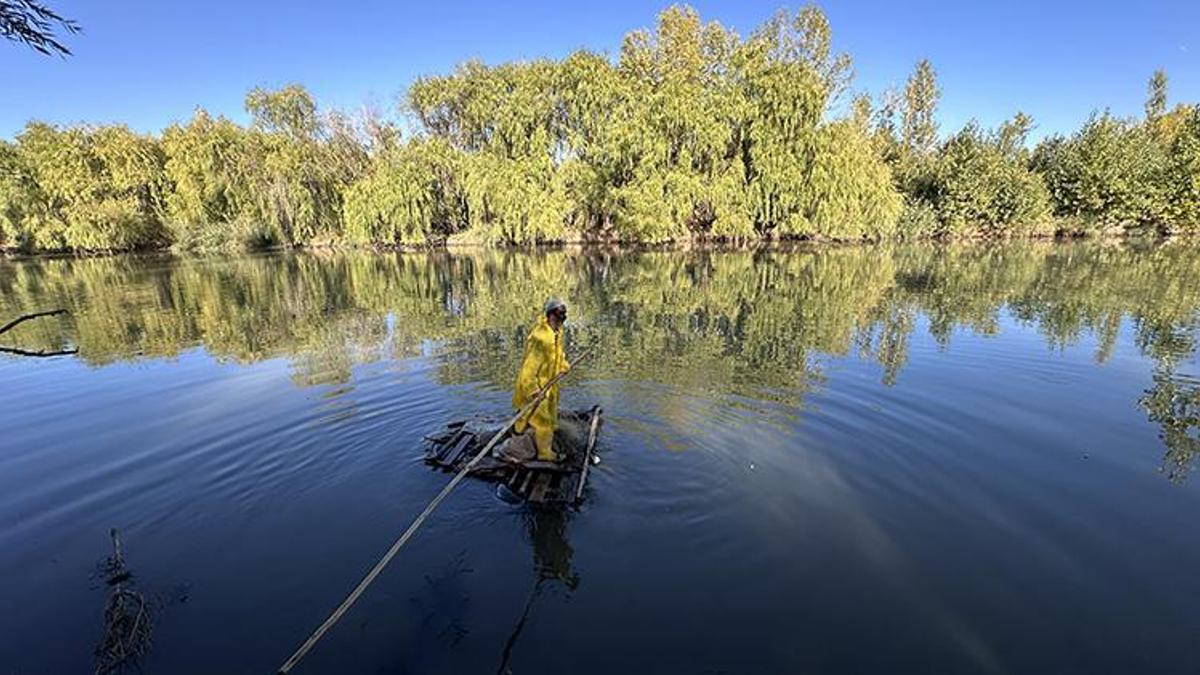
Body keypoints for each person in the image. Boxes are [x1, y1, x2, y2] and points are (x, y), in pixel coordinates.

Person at [512, 298, 570, 462]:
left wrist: (563, 365)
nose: (561, 319)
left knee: (546, 411)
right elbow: (528, 369)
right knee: (541, 420)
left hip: (549, 384)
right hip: (536, 386)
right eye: (559, 315)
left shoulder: (557, 332)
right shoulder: (540, 338)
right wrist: (533, 389)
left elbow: (557, 354)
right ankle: (545, 453)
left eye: (563, 315)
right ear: (550, 315)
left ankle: (520, 431)